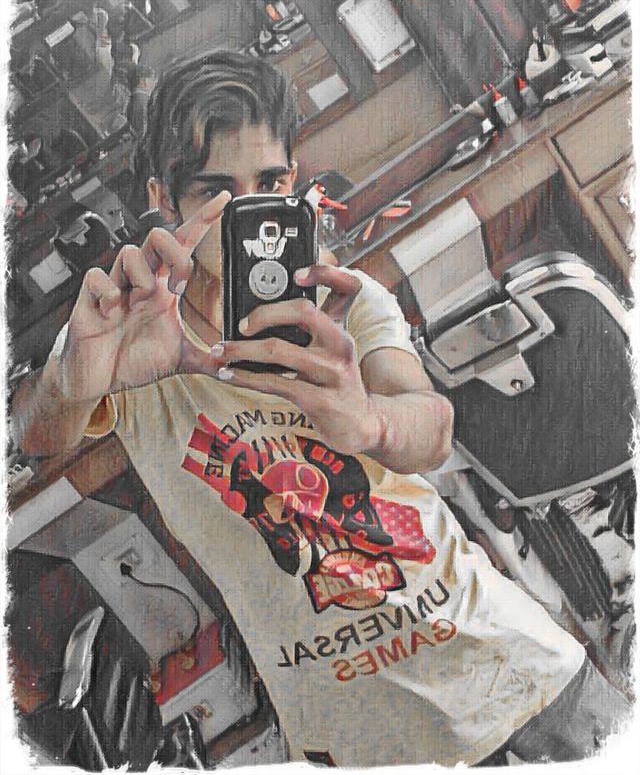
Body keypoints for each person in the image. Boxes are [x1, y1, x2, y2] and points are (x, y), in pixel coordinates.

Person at [12, 51, 632, 768]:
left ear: (295, 180)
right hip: (357, 742)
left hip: (514, 673)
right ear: (164, 197)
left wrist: (371, 422)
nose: (249, 214)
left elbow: (432, 428)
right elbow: (38, 434)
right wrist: (73, 379)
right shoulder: (132, 338)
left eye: (269, 183)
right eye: (217, 191)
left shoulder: (342, 298)